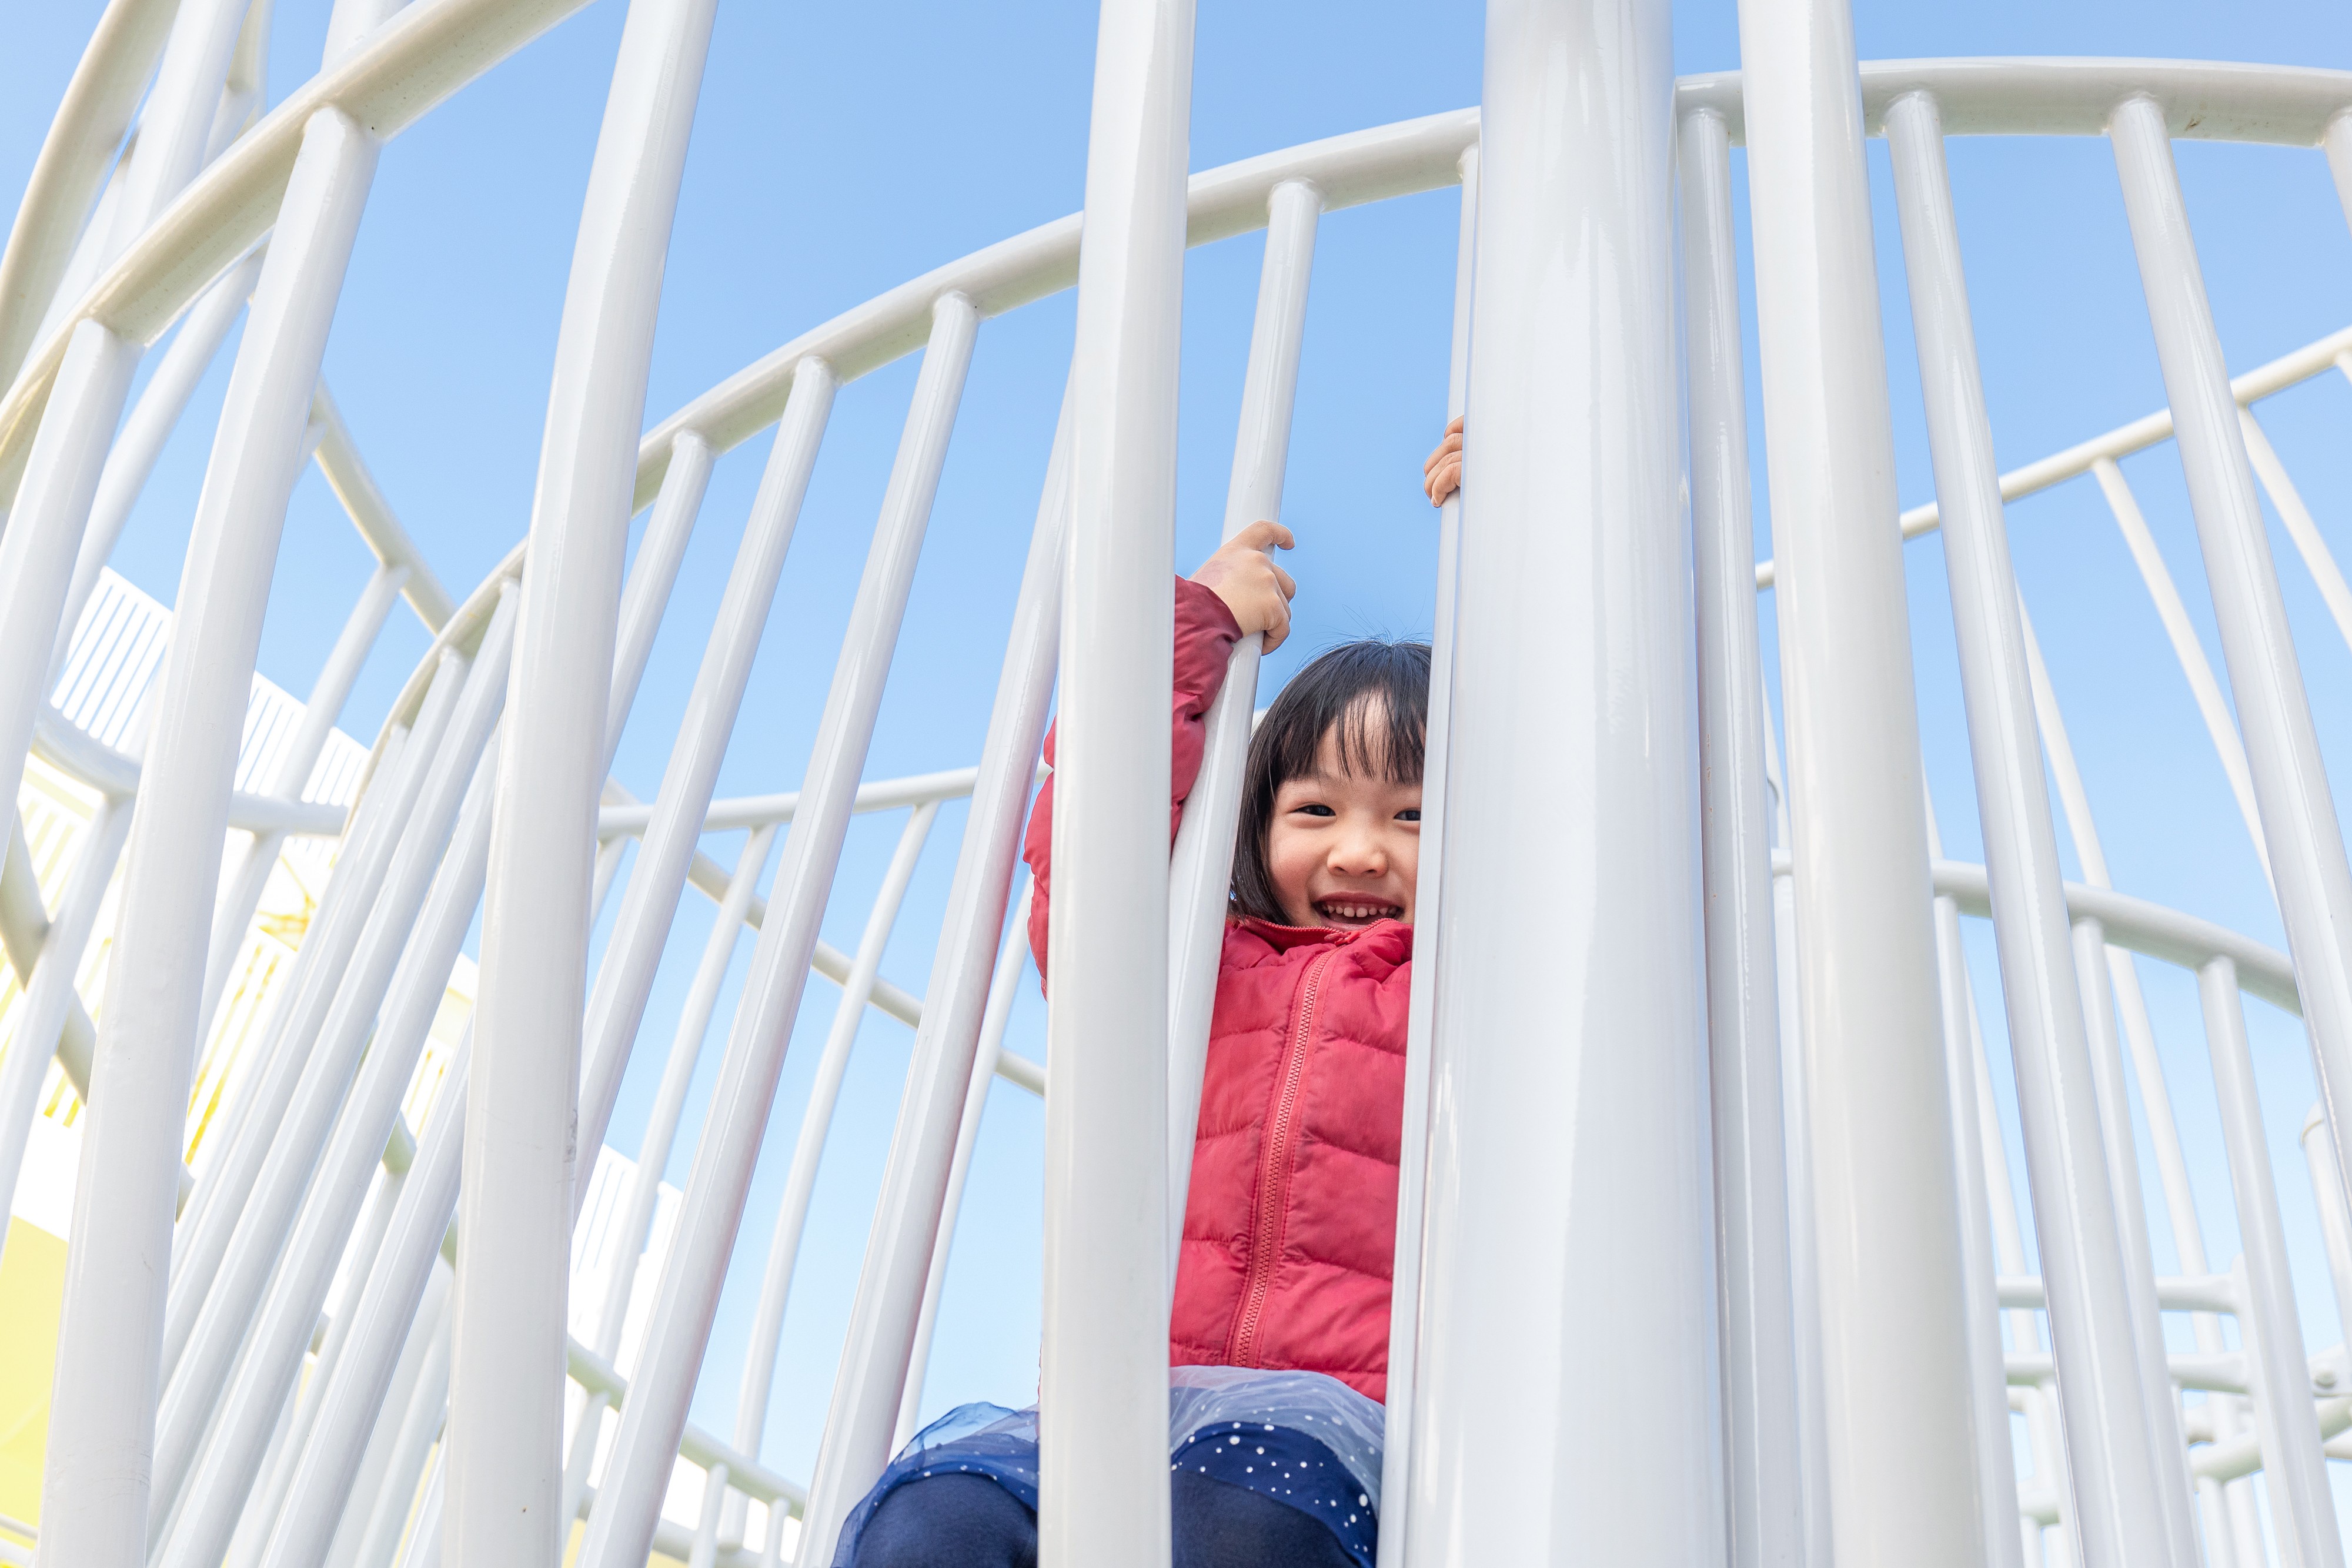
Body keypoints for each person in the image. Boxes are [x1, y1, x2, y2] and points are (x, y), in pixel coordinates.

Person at [837, 425, 1462, 1568]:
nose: (1361, 850)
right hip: (1132, 1396)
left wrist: (1528, 537)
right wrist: (1195, 632)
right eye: (1315, 810)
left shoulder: (1467, 983)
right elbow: (1093, 857)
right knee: (930, 1519)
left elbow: (1592, 811)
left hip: (1333, 1421)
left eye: (1411, 815)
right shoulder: (1197, 970)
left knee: (1237, 1530)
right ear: (1252, 824)